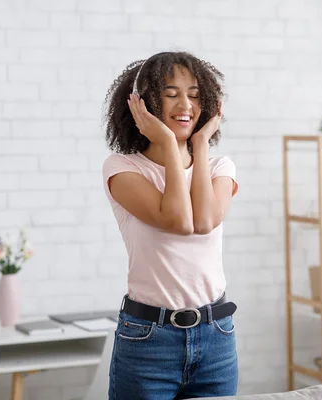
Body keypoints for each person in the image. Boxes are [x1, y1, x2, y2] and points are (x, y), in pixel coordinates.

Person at [101, 51, 239, 399]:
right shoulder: (123, 168)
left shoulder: (220, 167)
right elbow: (178, 220)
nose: (186, 104)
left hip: (216, 338)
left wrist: (200, 145)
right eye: (170, 92)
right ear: (144, 103)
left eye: (194, 94)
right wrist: (165, 141)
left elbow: (204, 221)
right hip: (149, 339)